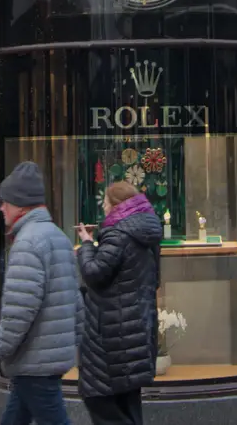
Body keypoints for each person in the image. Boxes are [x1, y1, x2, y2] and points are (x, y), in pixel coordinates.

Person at [0, 161, 78, 425]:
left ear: (20, 205)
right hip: (46, 357)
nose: (1, 208)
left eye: (4, 202)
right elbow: (77, 301)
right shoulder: (58, 237)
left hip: (36, 360)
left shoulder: (29, 243)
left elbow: (18, 313)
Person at [75, 182, 162, 425]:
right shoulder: (147, 232)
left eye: (105, 204)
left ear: (116, 205)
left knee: (101, 401)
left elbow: (93, 273)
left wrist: (86, 245)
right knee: (128, 400)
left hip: (112, 332)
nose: (103, 209)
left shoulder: (117, 234)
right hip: (138, 326)